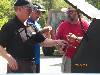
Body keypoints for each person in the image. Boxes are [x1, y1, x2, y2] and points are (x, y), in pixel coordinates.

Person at [0, 0, 67, 73]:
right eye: (28, 8)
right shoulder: (9, 26)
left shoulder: (31, 26)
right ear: (19, 9)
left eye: (32, 8)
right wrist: (8, 58)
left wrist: (57, 42)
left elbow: (43, 41)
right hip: (16, 66)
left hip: (31, 65)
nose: (31, 10)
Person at [56, 6, 89, 73]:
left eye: (71, 11)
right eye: (68, 12)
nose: (68, 14)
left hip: (81, 58)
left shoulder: (85, 25)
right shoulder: (63, 25)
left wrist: (76, 38)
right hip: (68, 58)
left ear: (78, 12)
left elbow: (90, 40)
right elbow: (57, 40)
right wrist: (59, 48)